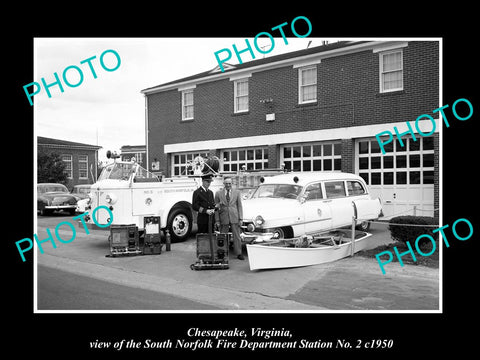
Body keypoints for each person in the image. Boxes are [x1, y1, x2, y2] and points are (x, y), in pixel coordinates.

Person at [215, 176, 244, 260]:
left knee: (237, 236)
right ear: (223, 184)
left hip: (234, 217)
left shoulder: (237, 192)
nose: (228, 185)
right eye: (226, 183)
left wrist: (241, 218)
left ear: (232, 184)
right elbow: (216, 208)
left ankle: (239, 253)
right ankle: (222, 253)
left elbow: (239, 206)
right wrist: (217, 220)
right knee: (222, 236)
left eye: (229, 183)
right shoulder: (218, 193)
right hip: (223, 217)